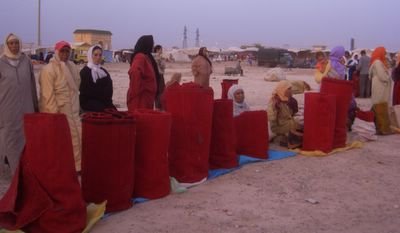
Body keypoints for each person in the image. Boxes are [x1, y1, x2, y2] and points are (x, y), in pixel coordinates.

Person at [39, 41, 82, 172]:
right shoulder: (48, 70)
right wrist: (55, 115)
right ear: (57, 52)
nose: (64, 54)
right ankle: (66, 166)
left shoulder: (72, 67)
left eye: (67, 51)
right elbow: (48, 95)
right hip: (60, 110)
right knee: (64, 139)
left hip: (73, 108)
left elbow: (76, 86)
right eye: (62, 51)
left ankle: (78, 166)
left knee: (78, 135)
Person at [0, 33, 38, 176]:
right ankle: (14, 171)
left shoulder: (26, 61)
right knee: (9, 139)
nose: (14, 46)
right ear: (7, 45)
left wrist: (35, 105)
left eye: (16, 43)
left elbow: (32, 85)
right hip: (7, 109)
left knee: (25, 139)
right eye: (11, 43)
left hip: (26, 107)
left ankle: (24, 170)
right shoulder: (1, 62)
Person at [127, 35, 159, 111]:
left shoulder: (147, 57)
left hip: (146, 98)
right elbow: (134, 72)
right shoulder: (140, 57)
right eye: (152, 43)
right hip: (140, 99)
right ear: (146, 44)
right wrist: (138, 90)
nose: (153, 46)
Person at [79, 45, 115, 112]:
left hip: (104, 101)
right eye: (95, 55)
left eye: (100, 55)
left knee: (114, 112)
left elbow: (109, 88)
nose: (98, 57)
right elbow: (85, 91)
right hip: (88, 101)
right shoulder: (84, 72)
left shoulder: (104, 72)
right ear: (90, 55)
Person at [267, 80, 302, 149]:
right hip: (279, 127)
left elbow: (289, 115)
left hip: (286, 124)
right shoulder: (274, 101)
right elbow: (271, 118)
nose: (291, 90)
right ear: (282, 90)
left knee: (301, 124)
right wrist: (274, 110)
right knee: (300, 126)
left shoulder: (284, 100)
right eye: (288, 89)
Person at [369, 46, 392, 134]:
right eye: (384, 52)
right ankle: (383, 129)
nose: (385, 54)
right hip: (380, 86)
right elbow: (383, 76)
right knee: (380, 105)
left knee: (378, 104)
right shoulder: (378, 62)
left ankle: (380, 127)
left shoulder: (377, 62)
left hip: (379, 85)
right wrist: (388, 76)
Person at [153, 44, 166, 109]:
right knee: (160, 91)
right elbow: (163, 67)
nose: (162, 51)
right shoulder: (158, 57)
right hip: (159, 75)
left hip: (154, 75)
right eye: (161, 49)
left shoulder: (151, 57)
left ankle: (158, 106)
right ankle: (159, 107)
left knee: (157, 92)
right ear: (157, 50)